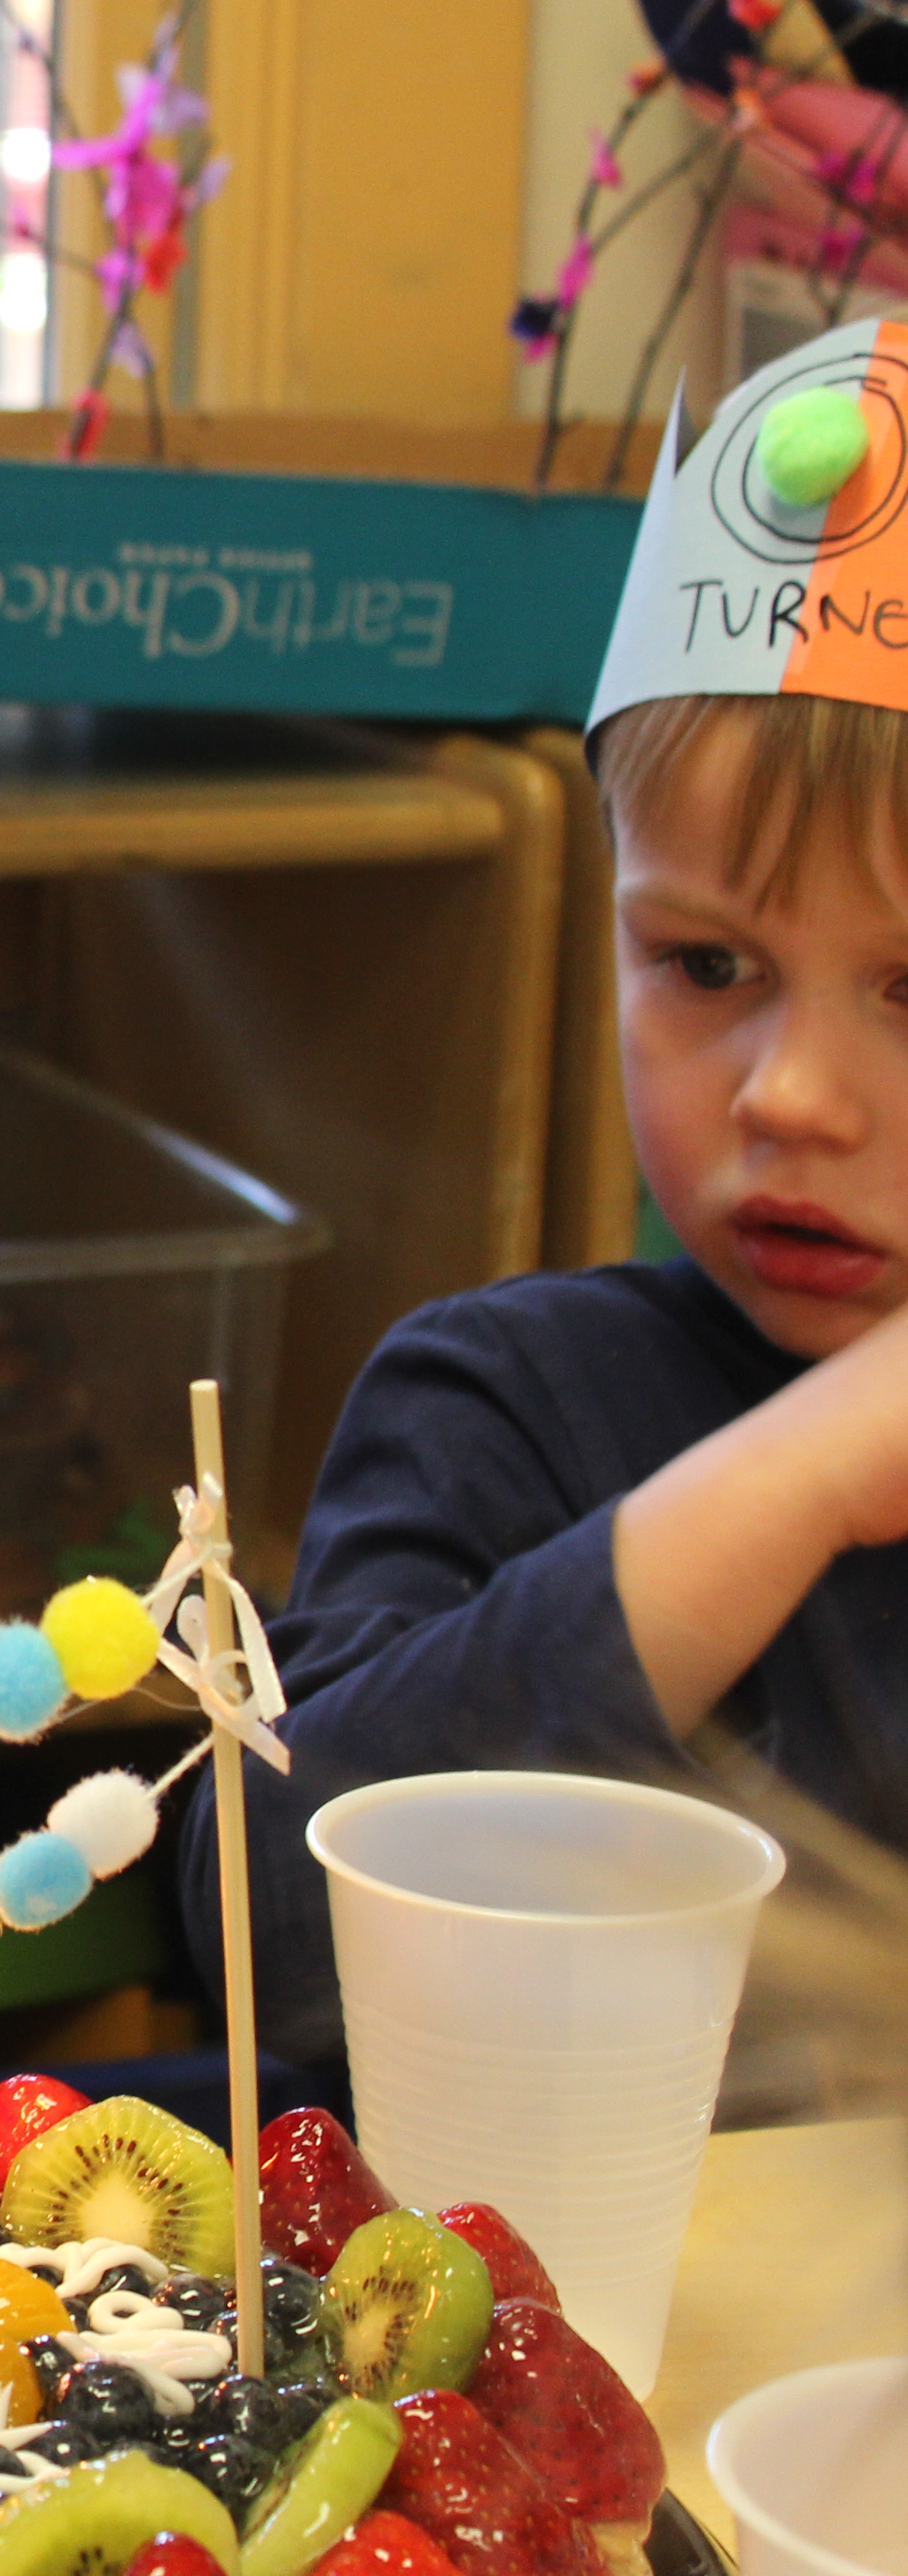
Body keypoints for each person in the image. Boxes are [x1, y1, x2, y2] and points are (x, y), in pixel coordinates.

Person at [193, 316, 908, 2069]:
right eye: (703, 961)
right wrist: (798, 1477)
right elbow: (280, 1932)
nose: (789, 1093)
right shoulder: (504, 1403)